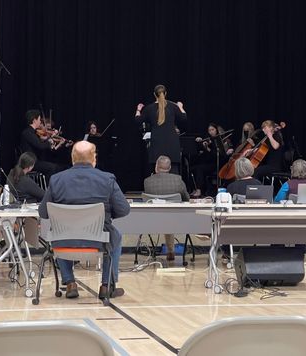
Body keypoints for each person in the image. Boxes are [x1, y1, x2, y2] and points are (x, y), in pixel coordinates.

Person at [39, 141, 130, 300]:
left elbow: (44, 213)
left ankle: (69, 283)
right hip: (98, 241)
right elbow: (124, 209)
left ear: (72, 158)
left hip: (63, 243)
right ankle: (106, 285)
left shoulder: (56, 180)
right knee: (116, 236)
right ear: (94, 158)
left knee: (60, 232)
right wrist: (106, 216)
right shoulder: (107, 179)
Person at [144, 155, 190, 261]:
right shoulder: (178, 180)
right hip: (177, 220)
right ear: (169, 168)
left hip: (152, 220)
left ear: (156, 167)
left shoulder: (147, 181)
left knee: (165, 215)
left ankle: (170, 250)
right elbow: (187, 199)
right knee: (169, 215)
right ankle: (170, 250)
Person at [135, 84, 187, 175]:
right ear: (165, 93)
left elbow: (138, 120)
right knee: (174, 173)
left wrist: (138, 110)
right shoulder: (173, 106)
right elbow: (184, 118)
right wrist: (180, 107)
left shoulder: (149, 108)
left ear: (154, 94)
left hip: (157, 145)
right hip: (172, 144)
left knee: (156, 174)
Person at [19, 109, 63, 181]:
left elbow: (40, 143)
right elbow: (40, 145)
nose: (40, 122)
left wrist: (49, 139)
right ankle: (47, 189)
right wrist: (50, 141)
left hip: (36, 160)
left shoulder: (33, 132)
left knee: (55, 166)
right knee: (52, 167)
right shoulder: (28, 133)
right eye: (39, 119)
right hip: (31, 162)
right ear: (34, 120)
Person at [191, 123, 232, 197]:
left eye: (212, 129)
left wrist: (208, 149)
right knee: (193, 167)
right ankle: (196, 188)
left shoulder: (220, 141)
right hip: (209, 163)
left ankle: (199, 190)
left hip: (218, 164)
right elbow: (203, 153)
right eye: (209, 130)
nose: (211, 132)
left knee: (199, 169)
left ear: (216, 130)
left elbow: (218, 156)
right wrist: (199, 142)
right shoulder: (208, 140)